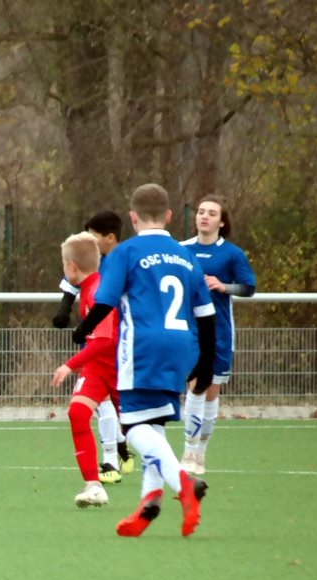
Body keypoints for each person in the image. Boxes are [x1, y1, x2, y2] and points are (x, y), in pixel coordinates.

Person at [73, 183, 216, 537]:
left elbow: (105, 303)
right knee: (154, 423)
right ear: (169, 216)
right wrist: (206, 362)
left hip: (143, 347)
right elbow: (207, 315)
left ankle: (184, 484)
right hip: (183, 346)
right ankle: (150, 502)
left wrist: (82, 330)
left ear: (133, 217)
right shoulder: (186, 256)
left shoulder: (125, 252)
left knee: (133, 426)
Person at [51, 210, 133, 483]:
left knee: (139, 429)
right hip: (98, 367)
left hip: (119, 367)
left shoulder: (98, 290)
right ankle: (94, 484)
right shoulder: (89, 285)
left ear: (72, 266)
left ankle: (172, 475)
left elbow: (106, 339)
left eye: (64, 264)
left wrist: (69, 364)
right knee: (78, 413)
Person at [179, 195, 257, 475]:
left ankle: (201, 453)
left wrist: (224, 286)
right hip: (190, 330)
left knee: (211, 393)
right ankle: (188, 450)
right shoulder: (182, 249)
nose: (204, 216)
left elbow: (248, 287)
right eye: (201, 211)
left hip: (220, 331)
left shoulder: (232, 254)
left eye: (212, 213)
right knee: (195, 387)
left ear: (222, 222)